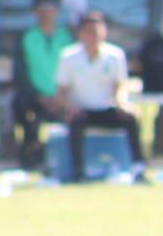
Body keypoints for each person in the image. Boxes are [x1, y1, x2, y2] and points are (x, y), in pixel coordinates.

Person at [53, 11, 146, 184]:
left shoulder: (115, 55)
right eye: (89, 32)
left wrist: (122, 103)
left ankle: (138, 168)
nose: (93, 37)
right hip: (81, 111)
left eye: (96, 32)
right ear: (81, 34)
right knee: (75, 121)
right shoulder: (68, 57)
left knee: (130, 119)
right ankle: (78, 172)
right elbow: (61, 94)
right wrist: (70, 107)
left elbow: (119, 87)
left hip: (106, 109)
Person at [12, 0, 73, 168]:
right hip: (35, 96)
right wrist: (39, 96)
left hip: (62, 95)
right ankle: (31, 147)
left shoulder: (66, 37)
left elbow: (72, 71)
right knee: (20, 104)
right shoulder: (27, 37)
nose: (46, 13)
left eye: (50, 9)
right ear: (34, 12)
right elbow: (20, 72)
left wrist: (60, 96)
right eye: (41, 9)